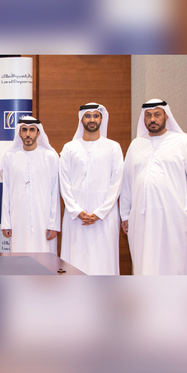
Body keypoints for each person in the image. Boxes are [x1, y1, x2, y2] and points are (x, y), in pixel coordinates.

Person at [120, 99, 187, 275]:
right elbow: (127, 182)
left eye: (157, 114)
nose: (153, 119)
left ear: (166, 116)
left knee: (177, 261)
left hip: (175, 215)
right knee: (145, 261)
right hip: (142, 217)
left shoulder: (183, 141)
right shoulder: (136, 144)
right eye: (148, 115)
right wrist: (125, 214)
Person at [58, 103, 124, 274]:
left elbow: (116, 183)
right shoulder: (69, 148)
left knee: (103, 262)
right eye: (88, 116)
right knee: (75, 261)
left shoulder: (113, 147)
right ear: (81, 119)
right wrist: (76, 210)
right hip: (75, 218)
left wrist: (100, 212)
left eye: (96, 116)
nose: (92, 119)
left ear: (102, 119)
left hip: (105, 217)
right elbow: (64, 182)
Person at [0, 116, 61, 253]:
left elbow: (55, 192)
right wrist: (6, 222)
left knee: (45, 258)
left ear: (38, 133)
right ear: (19, 133)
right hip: (17, 219)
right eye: (24, 130)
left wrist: (53, 224)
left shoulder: (50, 157)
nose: (28, 134)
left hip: (43, 219)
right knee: (19, 256)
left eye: (32, 130)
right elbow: (6, 191)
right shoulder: (10, 157)